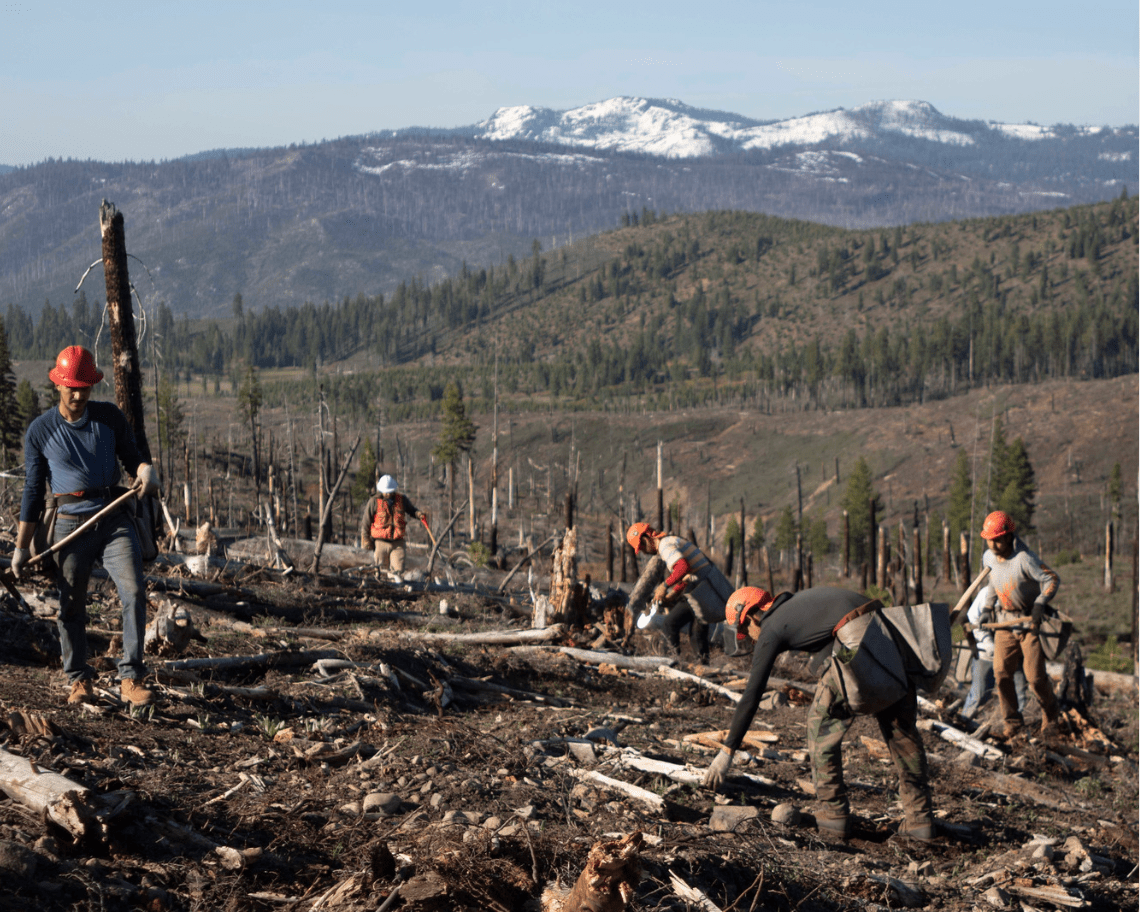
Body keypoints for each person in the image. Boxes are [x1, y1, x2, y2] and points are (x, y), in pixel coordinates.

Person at [703, 586, 934, 841]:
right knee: (902, 732)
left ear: (753, 615)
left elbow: (752, 694)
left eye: (745, 629)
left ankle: (833, 816)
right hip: (890, 641)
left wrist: (728, 750)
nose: (750, 636)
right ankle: (920, 819)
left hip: (855, 640)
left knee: (821, 723)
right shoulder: (797, 605)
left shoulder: (771, 626)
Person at [12, 346, 161, 706]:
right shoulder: (40, 431)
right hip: (68, 525)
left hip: (114, 518)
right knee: (71, 605)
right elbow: (33, 490)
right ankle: (78, 679)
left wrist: (145, 471)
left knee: (134, 591)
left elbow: (133, 458)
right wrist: (20, 547)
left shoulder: (109, 418)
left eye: (84, 387)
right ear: (58, 385)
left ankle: (131, 677)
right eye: (71, 388)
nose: (78, 395)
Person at [979, 510, 1062, 740]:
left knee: (1035, 678)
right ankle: (1013, 724)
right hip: (1004, 622)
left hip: (1028, 623)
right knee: (1001, 674)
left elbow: (1052, 578)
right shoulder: (988, 558)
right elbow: (993, 582)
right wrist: (987, 608)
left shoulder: (1024, 558)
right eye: (989, 539)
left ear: (1009, 536)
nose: (993, 544)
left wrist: (1040, 603)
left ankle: (1052, 715)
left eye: (998, 539)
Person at [626, 522, 732, 663]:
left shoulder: (665, 545)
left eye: (643, 546)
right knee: (692, 631)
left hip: (703, 591)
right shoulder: (670, 542)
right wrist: (673, 594)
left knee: (674, 625)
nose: (644, 551)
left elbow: (682, 567)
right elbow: (686, 574)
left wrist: (664, 586)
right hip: (699, 590)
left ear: (647, 537)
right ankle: (698, 664)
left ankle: (674, 662)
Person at [962, 584, 1027, 721]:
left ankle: (1017, 730)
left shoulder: (1023, 590)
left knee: (1019, 695)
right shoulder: (987, 592)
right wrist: (986, 642)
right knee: (979, 694)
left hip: (1015, 652)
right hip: (987, 653)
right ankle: (963, 722)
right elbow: (973, 618)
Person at [360, 475, 429, 577]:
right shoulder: (373, 502)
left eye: (390, 491)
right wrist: (366, 541)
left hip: (398, 543)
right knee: (380, 572)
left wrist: (419, 514)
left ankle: (396, 589)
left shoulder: (402, 500)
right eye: (385, 491)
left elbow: (411, 510)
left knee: (397, 572)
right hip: (380, 542)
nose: (388, 493)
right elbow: (365, 523)